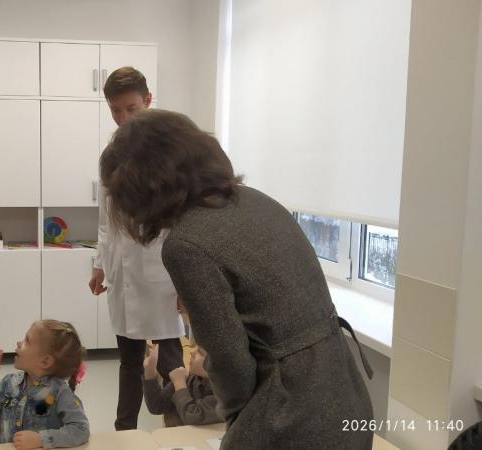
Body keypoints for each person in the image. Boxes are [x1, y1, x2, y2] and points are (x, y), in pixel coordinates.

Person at [100, 109, 375, 450]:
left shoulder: (187, 243)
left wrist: (239, 432)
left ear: (142, 188)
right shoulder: (256, 200)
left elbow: (232, 368)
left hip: (291, 417)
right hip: (345, 393)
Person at [88, 66, 185, 431]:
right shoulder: (110, 155)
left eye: (131, 108)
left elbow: (182, 222)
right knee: (128, 361)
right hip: (122, 272)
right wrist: (100, 264)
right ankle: (124, 430)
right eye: (115, 110)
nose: (123, 118)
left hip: (162, 274)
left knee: (170, 361)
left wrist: (186, 282)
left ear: (148, 100)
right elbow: (105, 220)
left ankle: (181, 425)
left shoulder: (170, 153)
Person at [0, 320, 90, 450]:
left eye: (27, 340)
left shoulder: (60, 392)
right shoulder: (9, 383)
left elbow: (81, 430)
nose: (19, 342)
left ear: (45, 361)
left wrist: (40, 439)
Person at [143, 343, 223, 426]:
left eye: (200, 352)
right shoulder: (190, 378)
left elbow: (192, 417)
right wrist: (150, 371)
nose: (192, 352)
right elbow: (157, 406)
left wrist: (180, 384)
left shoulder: (224, 395)